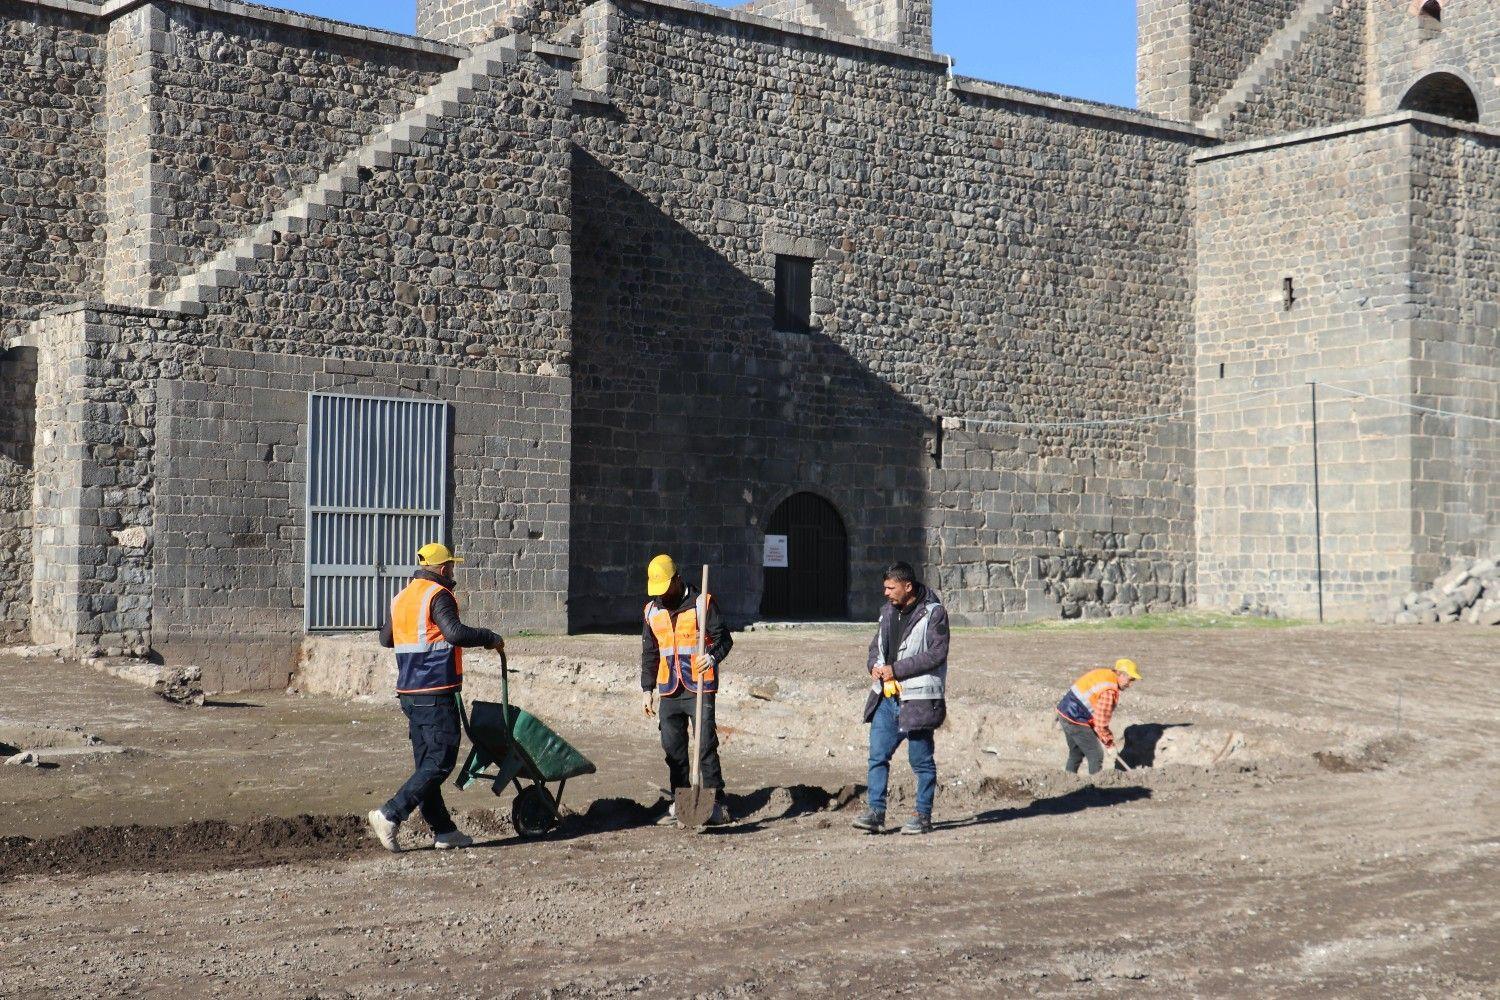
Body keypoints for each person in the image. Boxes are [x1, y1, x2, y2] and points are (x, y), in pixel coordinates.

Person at [367, 542, 503, 852]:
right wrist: (489, 637)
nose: (453, 571)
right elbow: (454, 633)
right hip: (435, 692)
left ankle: (443, 830)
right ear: (443, 569)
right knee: (441, 761)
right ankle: (390, 814)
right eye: (452, 567)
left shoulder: (402, 597)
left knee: (426, 764)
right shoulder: (438, 595)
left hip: (410, 694)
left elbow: (386, 639)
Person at [853, 562, 949, 836]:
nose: (885, 592)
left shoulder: (935, 613)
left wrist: (896, 669)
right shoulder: (886, 613)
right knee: (877, 756)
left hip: (918, 700)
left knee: (921, 761)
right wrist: (873, 665)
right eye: (884, 587)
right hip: (886, 696)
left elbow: (936, 654)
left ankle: (922, 815)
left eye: (890, 587)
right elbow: (876, 648)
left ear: (908, 586)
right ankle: (875, 812)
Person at [641, 554, 733, 826]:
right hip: (669, 688)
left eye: (664, 588)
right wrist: (647, 689)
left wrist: (712, 656)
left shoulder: (702, 603)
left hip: (698, 686)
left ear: (676, 579)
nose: (661, 595)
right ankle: (682, 806)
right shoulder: (651, 611)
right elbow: (650, 653)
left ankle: (718, 804)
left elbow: (724, 639)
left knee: (705, 745)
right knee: (674, 750)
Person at [1056, 659, 1142, 775]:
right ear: (1121, 674)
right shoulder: (1109, 691)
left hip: (1064, 712)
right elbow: (1101, 723)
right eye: (1130, 680)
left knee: (1076, 752)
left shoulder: (1105, 674)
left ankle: (1067, 782)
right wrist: (1109, 744)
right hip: (1075, 718)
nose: (1130, 684)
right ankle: (1096, 790)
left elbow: (1094, 711)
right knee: (1096, 755)